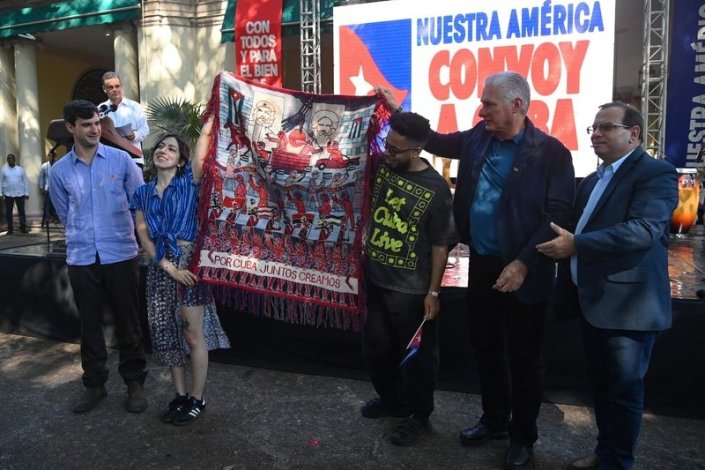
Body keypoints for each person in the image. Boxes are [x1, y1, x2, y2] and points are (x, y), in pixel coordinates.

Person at [378, 71, 575, 468]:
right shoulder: (477, 138)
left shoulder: (551, 152)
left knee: (524, 356)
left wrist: (523, 262)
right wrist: (397, 111)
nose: (481, 110)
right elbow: (434, 140)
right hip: (483, 264)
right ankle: (494, 421)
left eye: (489, 104)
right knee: (486, 346)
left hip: (525, 270)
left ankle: (523, 437)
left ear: (517, 106)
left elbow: (557, 214)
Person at [536, 102, 678, 470]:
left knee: (624, 393)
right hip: (594, 302)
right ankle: (605, 453)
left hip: (629, 308)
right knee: (601, 387)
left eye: (607, 127)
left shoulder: (656, 173)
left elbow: (644, 230)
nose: (596, 133)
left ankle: (618, 462)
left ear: (634, 134)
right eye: (594, 128)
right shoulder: (593, 180)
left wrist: (577, 245)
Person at [360, 111, 458, 447]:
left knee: (418, 358)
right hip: (376, 279)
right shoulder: (381, 166)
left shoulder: (436, 189)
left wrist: (434, 292)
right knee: (376, 348)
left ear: (416, 150)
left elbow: (441, 246)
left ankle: (419, 416)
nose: (387, 153)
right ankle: (392, 400)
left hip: (412, 290)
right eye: (386, 145)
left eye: (395, 149)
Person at [49, 100, 148, 414]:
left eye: (96, 123)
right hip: (82, 257)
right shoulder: (59, 171)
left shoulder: (122, 161)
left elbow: (139, 204)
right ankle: (95, 385)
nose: (94, 130)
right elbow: (64, 213)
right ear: (71, 128)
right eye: (87, 125)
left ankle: (134, 383)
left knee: (128, 322)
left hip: (121, 254)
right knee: (89, 324)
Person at [131, 121, 230, 426]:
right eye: (160, 146)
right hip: (161, 266)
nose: (163, 150)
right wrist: (166, 266)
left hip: (188, 264)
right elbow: (142, 233)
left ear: (181, 160)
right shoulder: (142, 192)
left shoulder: (190, 181)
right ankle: (180, 395)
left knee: (191, 333)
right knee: (167, 333)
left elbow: (203, 144)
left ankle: (198, 399)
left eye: (172, 148)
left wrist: (211, 117)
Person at [99, 71, 149, 167]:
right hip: (110, 160)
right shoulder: (101, 109)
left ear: (121, 86)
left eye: (117, 86)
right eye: (110, 87)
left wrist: (134, 135)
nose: (115, 89)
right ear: (104, 89)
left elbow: (145, 129)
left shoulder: (135, 107)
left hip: (134, 160)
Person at [1, 153, 30, 234]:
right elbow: (0, 182)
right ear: (7, 160)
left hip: (20, 193)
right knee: (8, 212)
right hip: (8, 193)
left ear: (15, 160)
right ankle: (10, 229)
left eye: (12, 158)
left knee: (21, 211)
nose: (10, 160)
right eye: (9, 159)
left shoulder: (20, 170)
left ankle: (23, 228)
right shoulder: (4, 170)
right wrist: (0, 193)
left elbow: (25, 181)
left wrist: (26, 192)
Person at [39, 150, 57, 228]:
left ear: (55, 157)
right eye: (49, 156)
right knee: (47, 204)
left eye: (52, 156)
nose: (50, 157)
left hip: (57, 188)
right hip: (47, 188)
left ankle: (56, 217)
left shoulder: (58, 164)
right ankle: (47, 218)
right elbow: (41, 177)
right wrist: (41, 187)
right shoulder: (44, 166)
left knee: (56, 203)